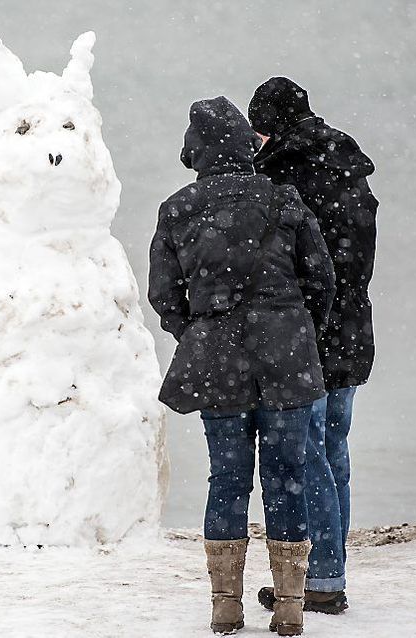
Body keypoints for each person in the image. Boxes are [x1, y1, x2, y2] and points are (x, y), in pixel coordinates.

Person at [149, 96, 335, 636]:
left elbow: (164, 293)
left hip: (218, 359)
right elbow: (320, 281)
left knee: (227, 478)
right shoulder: (285, 201)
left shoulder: (179, 207)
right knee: (287, 478)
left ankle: (225, 605)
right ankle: (291, 607)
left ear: (199, 151)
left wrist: (199, 330)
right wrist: (296, 331)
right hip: (286, 358)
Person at [248, 77, 378, 614]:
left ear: (269, 125)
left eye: (257, 130)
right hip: (351, 326)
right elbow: (357, 257)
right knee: (334, 450)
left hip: (308, 330)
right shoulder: (347, 163)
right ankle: (332, 566)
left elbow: (290, 264)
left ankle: (321, 577)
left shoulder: (282, 176)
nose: (254, 140)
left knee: (306, 455)